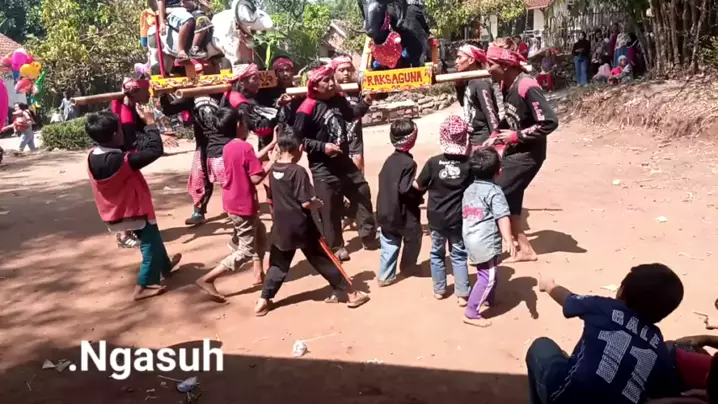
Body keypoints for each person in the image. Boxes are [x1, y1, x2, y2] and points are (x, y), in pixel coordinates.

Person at [526, 264, 684, 404]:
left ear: (621, 290)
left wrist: (548, 284)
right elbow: (662, 389)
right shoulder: (658, 347)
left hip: (568, 397)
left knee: (541, 346)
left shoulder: (604, 307)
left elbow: (567, 299)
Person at [254, 126, 370, 316]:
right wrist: (316, 203)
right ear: (300, 149)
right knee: (325, 259)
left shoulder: (274, 169)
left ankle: (263, 300)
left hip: (281, 227)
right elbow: (306, 202)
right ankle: (351, 294)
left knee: (278, 264)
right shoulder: (298, 171)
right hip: (303, 227)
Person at [85, 110, 182, 301]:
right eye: (121, 130)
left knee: (153, 238)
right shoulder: (121, 161)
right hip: (133, 211)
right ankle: (144, 285)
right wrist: (151, 124)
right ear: (115, 135)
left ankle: (165, 266)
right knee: (149, 246)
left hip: (115, 211)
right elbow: (155, 151)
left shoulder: (93, 155)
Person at [484, 37, 559, 262]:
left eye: (490, 64)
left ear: (505, 65)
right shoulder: (507, 85)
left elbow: (549, 122)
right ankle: (525, 250)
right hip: (516, 152)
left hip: (528, 155)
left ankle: (487, 251)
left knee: (493, 195)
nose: (487, 69)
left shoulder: (527, 86)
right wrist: (495, 136)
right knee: (511, 200)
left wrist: (516, 136)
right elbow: (510, 116)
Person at [293, 64, 378, 262]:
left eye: (332, 79)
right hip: (322, 167)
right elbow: (297, 139)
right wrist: (323, 147)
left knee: (362, 191)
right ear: (315, 85)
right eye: (326, 80)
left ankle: (367, 235)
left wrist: (367, 100)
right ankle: (336, 247)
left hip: (343, 161)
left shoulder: (338, 99)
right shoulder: (306, 108)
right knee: (329, 208)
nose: (332, 83)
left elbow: (351, 114)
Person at [195, 108, 276, 301]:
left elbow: (250, 160)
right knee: (246, 250)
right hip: (243, 204)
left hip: (233, 201)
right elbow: (256, 178)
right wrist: (272, 161)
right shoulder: (244, 147)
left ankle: (258, 273)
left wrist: (272, 143)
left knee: (260, 234)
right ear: (239, 125)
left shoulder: (229, 147)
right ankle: (207, 278)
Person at [414, 115, 472, 306]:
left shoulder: (433, 162)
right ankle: (462, 293)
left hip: (436, 217)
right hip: (458, 217)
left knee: (437, 253)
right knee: (459, 253)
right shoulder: (468, 164)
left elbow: (419, 185)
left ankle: (439, 289)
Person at [462, 148, 515, 327]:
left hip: (470, 238)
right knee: (488, 276)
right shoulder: (495, 192)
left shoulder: (469, 189)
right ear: (498, 171)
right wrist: (508, 239)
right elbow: (502, 216)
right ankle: (471, 312)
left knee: (489, 271)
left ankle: (488, 299)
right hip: (485, 242)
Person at [159, 91, 223, 225]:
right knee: (200, 176)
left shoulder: (223, 92)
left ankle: (242, 208)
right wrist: (163, 94)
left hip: (225, 141)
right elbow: (170, 109)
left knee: (231, 175)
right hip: (203, 144)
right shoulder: (191, 95)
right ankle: (199, 211)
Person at [376, 118, 422, 287]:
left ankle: (385, 275)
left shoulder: (389, 160)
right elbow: (405, 189)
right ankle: (408, 267)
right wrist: (419, 192)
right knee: (413, 238)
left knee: (389, 243)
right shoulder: (409, 163)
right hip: (403, 214)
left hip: (384, 210)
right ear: (412, 139)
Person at [221, 63, 278, 152]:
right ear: (241, 81)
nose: (259, 82)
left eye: (258, 78)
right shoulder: (239, 102)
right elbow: (261, 129)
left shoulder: (230, 95)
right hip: (227, 150)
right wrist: (279, 111)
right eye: (254, 79)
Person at [454, 44, 500, 148]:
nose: (456, 62)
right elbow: (464, 104)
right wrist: (459, 86)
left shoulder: (481, 83)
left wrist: (495, 138)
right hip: (473, 137)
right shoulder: (469, 81)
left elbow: (490, 112)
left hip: (483, 139)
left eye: (459, 57)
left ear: (471, 60)